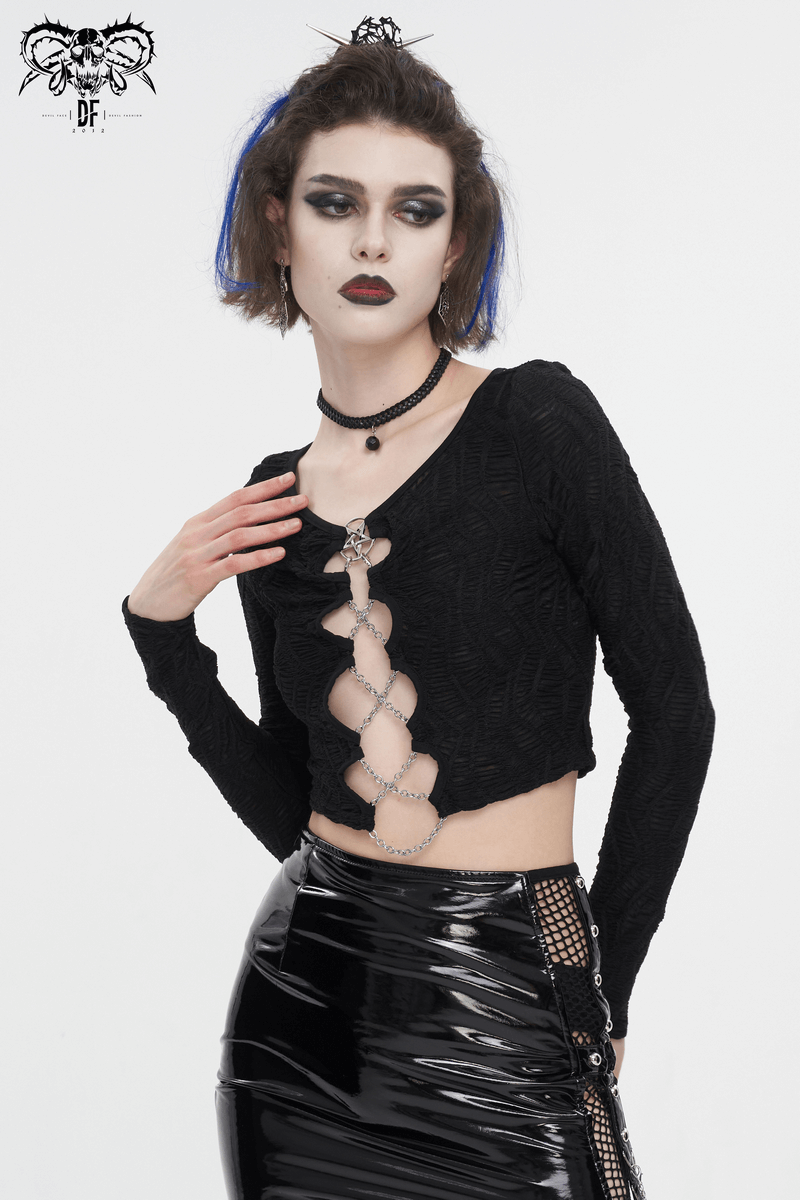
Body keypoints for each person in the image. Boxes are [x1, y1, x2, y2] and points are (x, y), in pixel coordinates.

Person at [121, 18, 714, 1200]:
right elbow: (296, 807)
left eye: (415, 209)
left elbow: (674, 710)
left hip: (518, 978)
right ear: (278, 229)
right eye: (334, 203)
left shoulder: (537, 426)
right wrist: (162, 639)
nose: (371, 239)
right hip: (303, 1019)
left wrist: (599, 979)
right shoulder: (273, 502)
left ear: (454, 249)